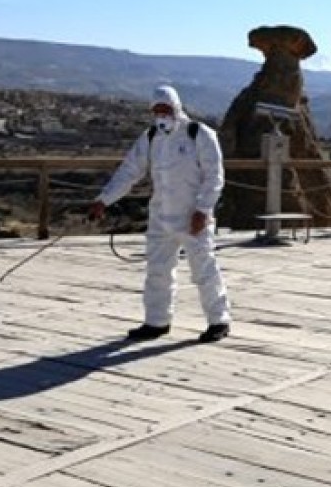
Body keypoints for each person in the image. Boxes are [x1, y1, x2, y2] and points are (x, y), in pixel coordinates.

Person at [88, 85, 232, 343]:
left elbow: (214, 176)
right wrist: (104, 199)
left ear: (176, 107)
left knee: (204, 270)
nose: (161, 115)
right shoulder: (151, 137)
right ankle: (157, 321)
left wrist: (203, 209)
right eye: (156, 111)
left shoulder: (198, 134)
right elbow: (130, 171)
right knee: (158, 271)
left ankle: (218, 320)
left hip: (193, 218)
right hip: (161, 218)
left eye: (165, 109)